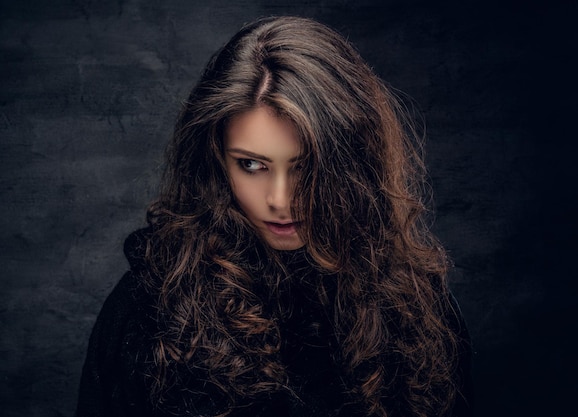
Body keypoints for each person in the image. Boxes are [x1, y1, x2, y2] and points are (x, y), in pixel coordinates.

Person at [76, 16, 474, 417]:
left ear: (352, 166)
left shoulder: (416, 309)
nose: (281, 200)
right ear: (216, 160)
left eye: (306, 167)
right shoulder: (149, 308)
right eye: (251, 165)